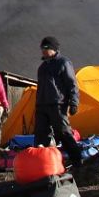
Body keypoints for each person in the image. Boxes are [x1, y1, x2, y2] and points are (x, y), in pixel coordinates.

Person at [34, 36, 82, 168]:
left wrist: (74, 102)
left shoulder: (63, 63)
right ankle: (41, 164)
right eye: (42, 48)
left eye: (46, 48)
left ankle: (77, 160)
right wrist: (37, 104)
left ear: (54, 49)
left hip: (58, 104)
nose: (43, 51)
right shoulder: (42, 67)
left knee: (63, 133)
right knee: (40, 135)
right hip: (42, 105)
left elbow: (72, 84)